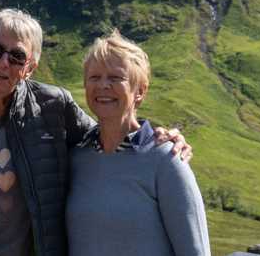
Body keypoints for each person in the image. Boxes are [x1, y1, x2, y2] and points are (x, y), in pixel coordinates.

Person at [0, 9, 194, 256]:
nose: (3, 62)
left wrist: (159, 138)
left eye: (16, 56)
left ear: (31, 68)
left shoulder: (54, 107)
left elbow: (107, 137)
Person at [66, 30, 209, 255]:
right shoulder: (77, 158)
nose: (103, 85)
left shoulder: (166, 159)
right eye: (95, 77)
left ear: (140, 91)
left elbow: (195, 251)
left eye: (115, 78)